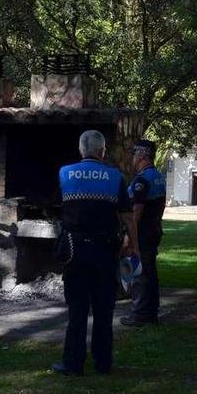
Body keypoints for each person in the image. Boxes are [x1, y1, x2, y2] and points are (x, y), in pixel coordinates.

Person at [52, 130, 139, 376]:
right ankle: (103, 363)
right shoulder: (115, 177)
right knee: (104, 309)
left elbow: (57, 205)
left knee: (77, 309)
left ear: (81, 150)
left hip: (74, 250)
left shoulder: (64, 173)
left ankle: (73, 363)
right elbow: (128, 217)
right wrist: (134, 246)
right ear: (102, 152)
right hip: (105, 251)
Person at [120, 139, 166, 327]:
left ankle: (138, 315)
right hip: (154, 230)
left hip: (142, 233)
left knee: (138, 273)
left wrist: (129, 238)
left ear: (142, 155)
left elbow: (136, 214)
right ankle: (151, 313)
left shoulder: (141, 181)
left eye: (134, 154)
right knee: (150, 273)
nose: (132, 158)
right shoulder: (158, 176)